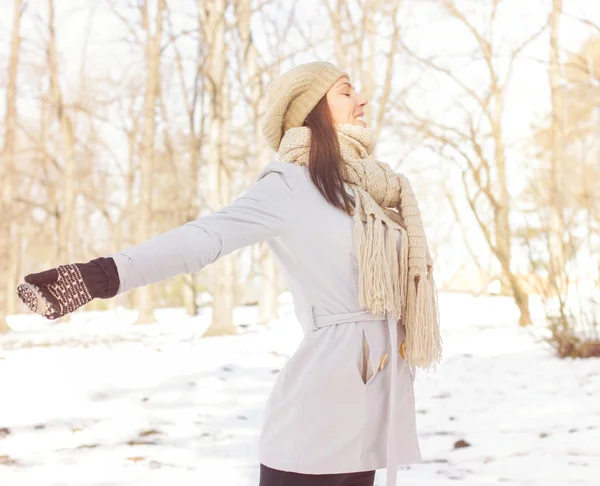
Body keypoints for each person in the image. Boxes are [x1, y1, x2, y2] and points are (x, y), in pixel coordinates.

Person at [17, 61, 443, 486]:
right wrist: (104, 275)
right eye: (346, 91)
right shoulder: (289, 185)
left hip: (372, 405)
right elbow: (206, 236)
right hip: (319, 411)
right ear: (309, 109)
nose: (362, 99)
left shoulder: (369, 191)